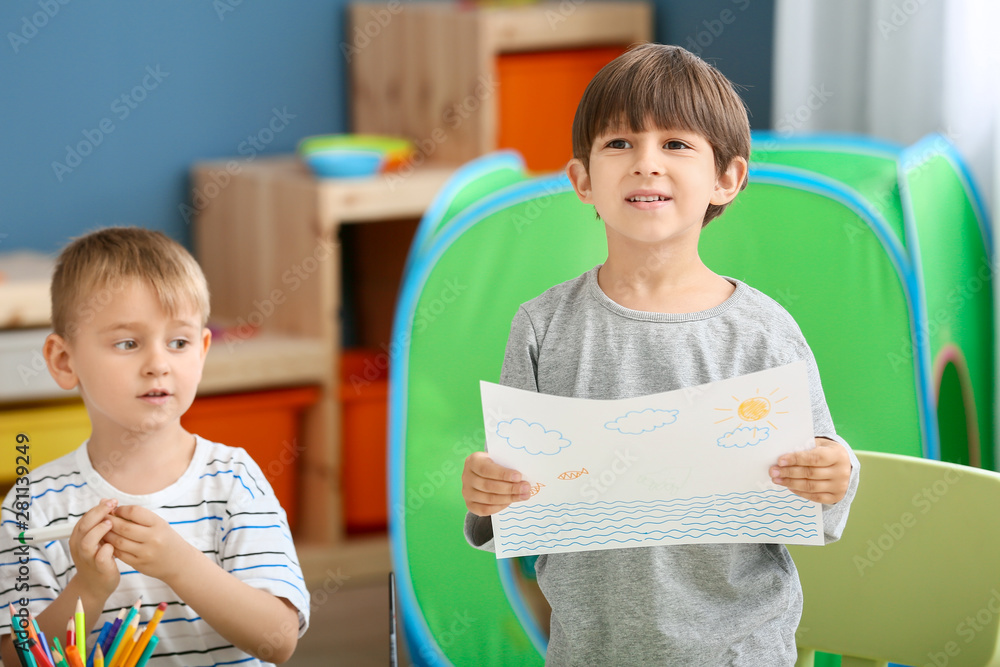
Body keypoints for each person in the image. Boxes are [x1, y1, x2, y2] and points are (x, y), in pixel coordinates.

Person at [461, 44, 860, 665]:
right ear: (583, 180)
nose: (646, 164)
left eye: (676, 144)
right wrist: (488, 494)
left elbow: (822, 480)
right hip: (589, 651)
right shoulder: (541, 325)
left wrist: (835, 473)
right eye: (619, 144)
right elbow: (513, 511)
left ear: (727, 178)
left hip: (740, 652)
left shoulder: (764, 332)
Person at [0, 227, 308, 666]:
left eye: (178, 342)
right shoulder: (32, 506)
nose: (158, 364)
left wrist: (179, 564)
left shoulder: (234, 479)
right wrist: (87, 589)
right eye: (127, 343)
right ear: (64, 361)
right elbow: (14, 658)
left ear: (202, 352)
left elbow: (278, 641)